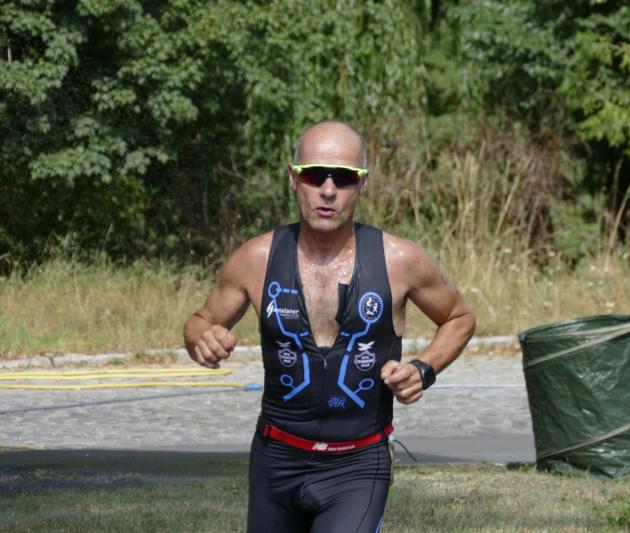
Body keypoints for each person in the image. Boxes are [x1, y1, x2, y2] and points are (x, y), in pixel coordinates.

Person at [183, 120, 475, 533]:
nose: (328, 189)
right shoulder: (255, 259)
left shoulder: (399, 260)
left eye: (344, 177)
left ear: (363, 184)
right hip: (275, 461)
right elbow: (201, 321)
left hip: (357, 465)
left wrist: (423, 369)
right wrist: (201, 338)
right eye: (315, 174)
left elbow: (459, 317)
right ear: (293, 178)